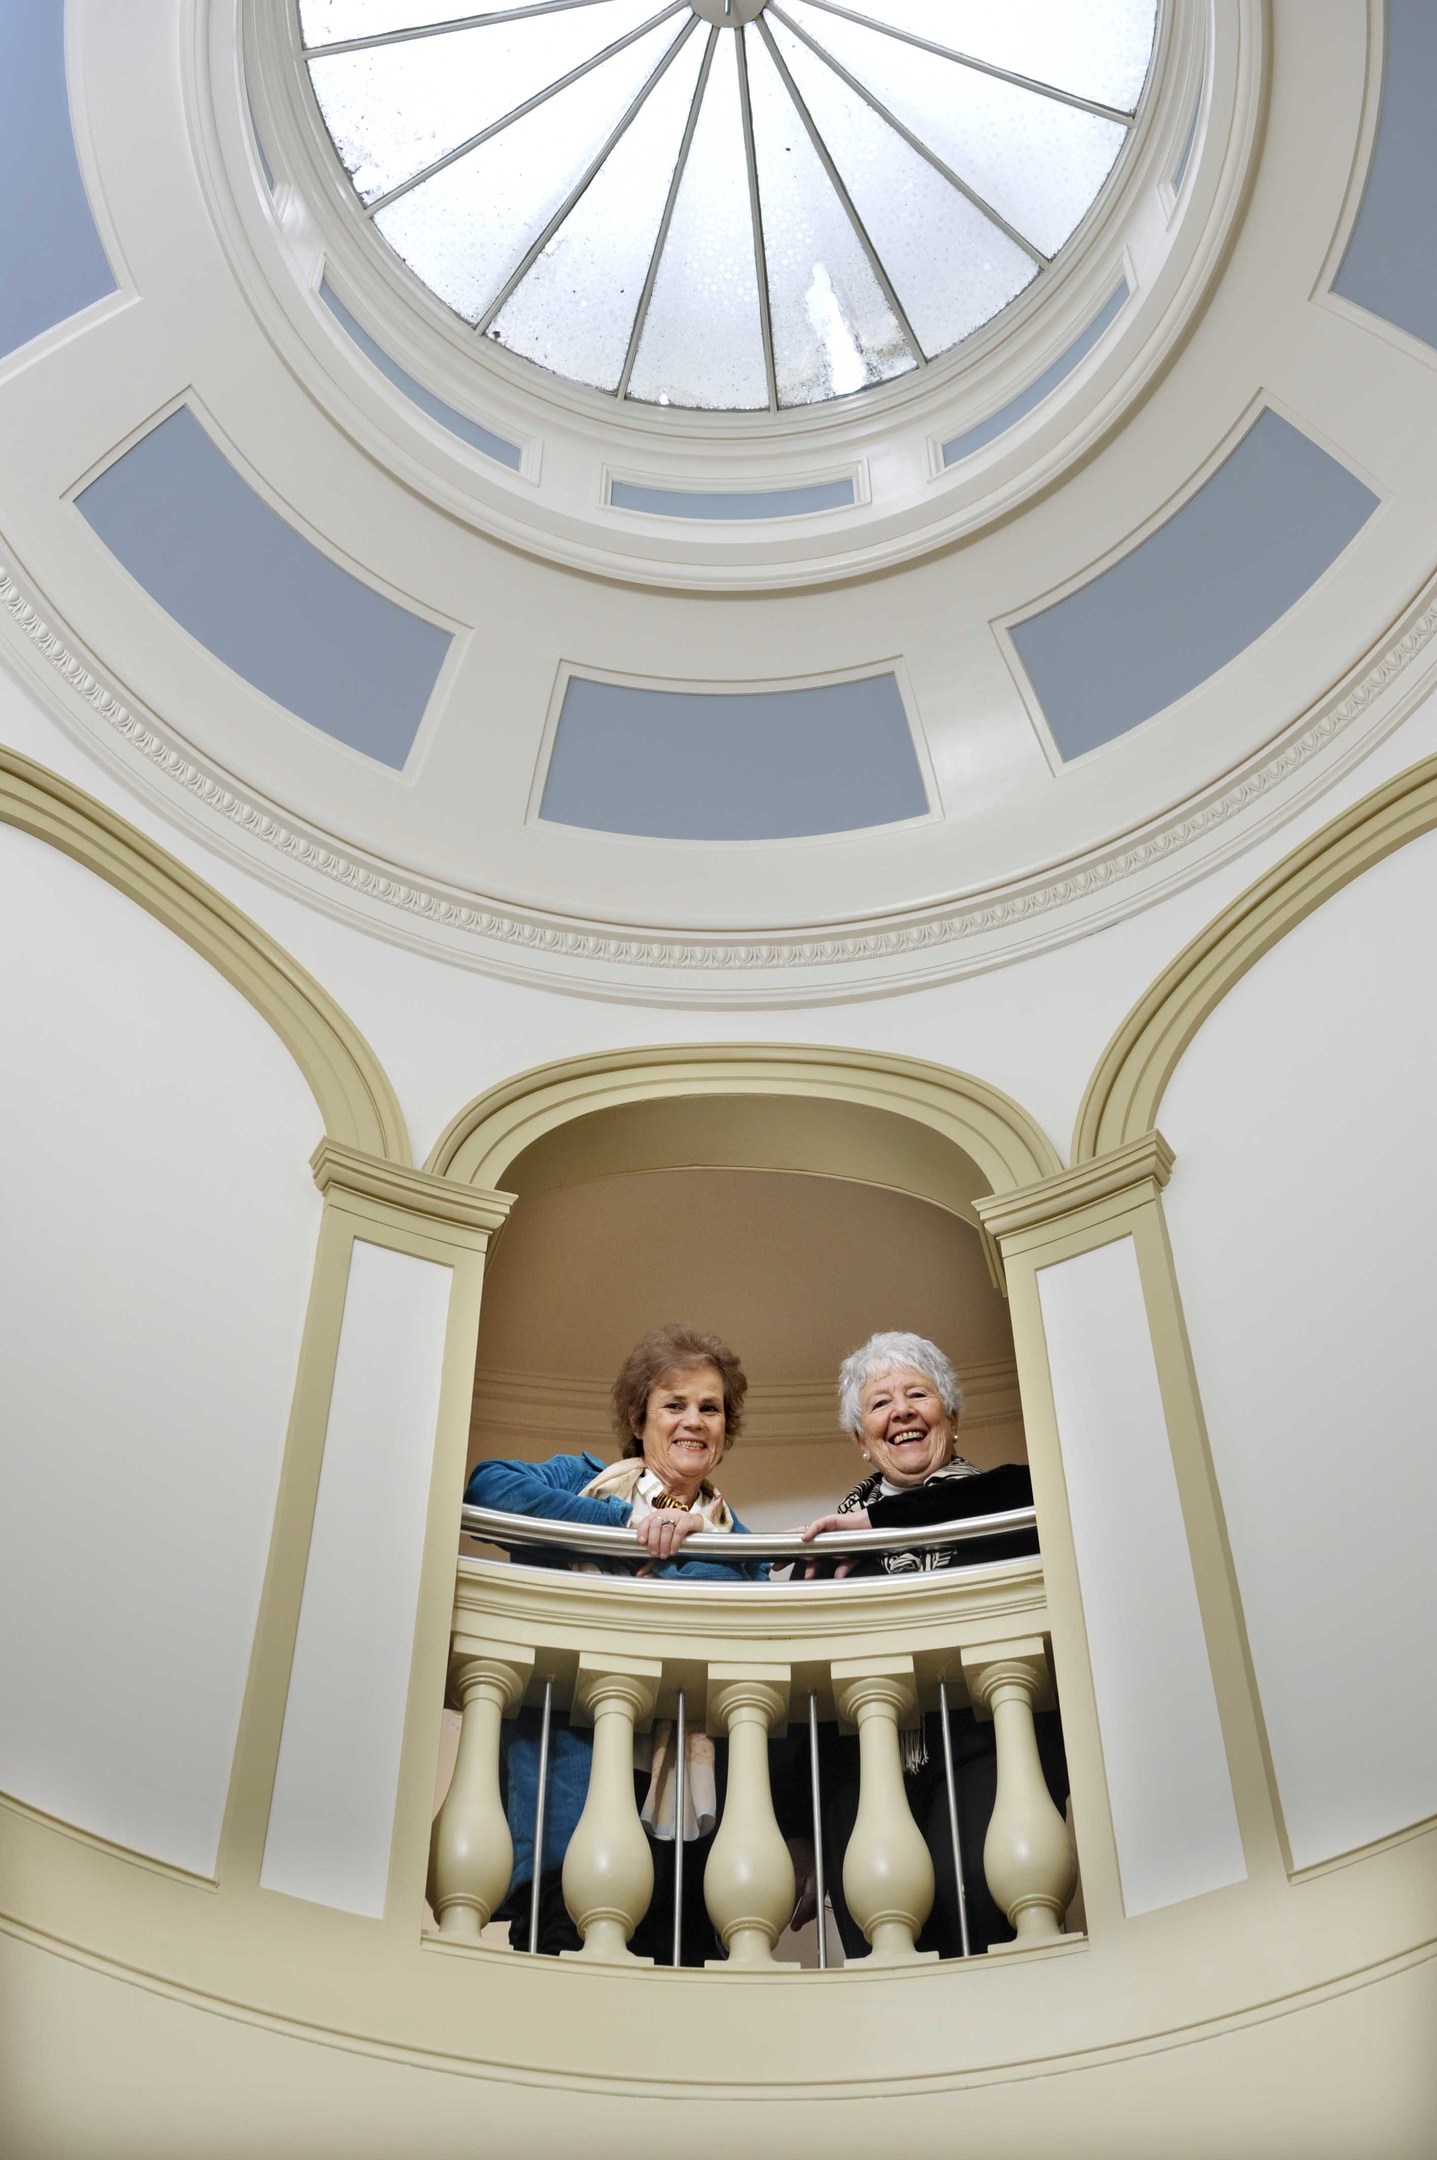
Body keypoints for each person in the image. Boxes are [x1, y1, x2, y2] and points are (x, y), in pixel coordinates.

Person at [464, 1323, 763, 1961]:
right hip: (570, 1767)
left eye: (710, 1408)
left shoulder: (740, 1541)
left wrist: (689, 1538)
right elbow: (487, 1487)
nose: (694, 1421)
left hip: (687, 1803)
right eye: (674, 1405)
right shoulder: (582, 1481)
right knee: (560, 1973)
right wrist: (628, 1524)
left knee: (671, 1987)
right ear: (638, 1417)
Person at [793, 1330, 1068, 1959]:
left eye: (918, 1394)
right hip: (862, 1761)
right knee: (879, 1934)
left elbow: (1023, 1489)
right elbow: (797, 1679)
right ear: (862, 1441)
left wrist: (878, 1523)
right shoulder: (833, 1545)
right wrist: (795, 1827)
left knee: (982, 1902)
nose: (902, 1412)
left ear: (951, 1414)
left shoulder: (1005, 1500)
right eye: (880, 1404)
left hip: (989, 1741)